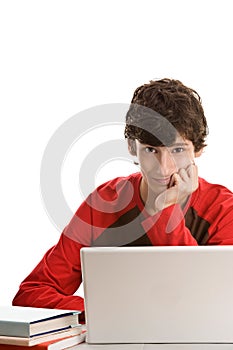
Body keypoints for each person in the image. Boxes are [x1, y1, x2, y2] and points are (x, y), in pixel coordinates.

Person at [12, 78, 233, 322]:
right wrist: (109, 310)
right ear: (131, 147)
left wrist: (164, 211)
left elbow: (216, 301)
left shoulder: (224, 210)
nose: (164, 168)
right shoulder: (104, 203)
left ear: (198, 149)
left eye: (177, 150)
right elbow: (31, 295)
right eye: (150, 149)